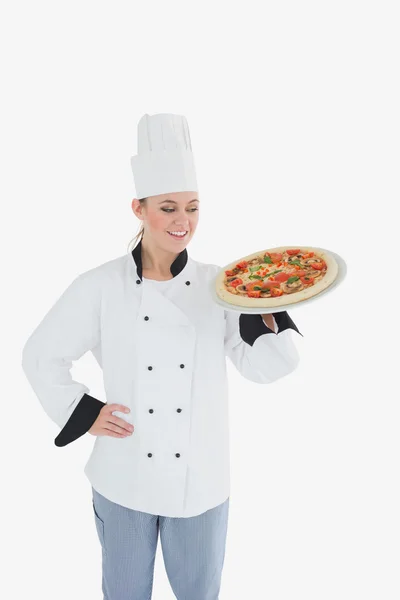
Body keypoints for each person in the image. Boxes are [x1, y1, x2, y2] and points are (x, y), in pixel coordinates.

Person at [21, 113, 303, 600]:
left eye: (192, 208)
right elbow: (41, 356)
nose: (183, 222)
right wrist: (85, 413)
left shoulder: (223, 285)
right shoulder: (100, 286)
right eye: (168, 208)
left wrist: (268, 305)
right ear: (138, 207)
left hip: (202, 477)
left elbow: (266, 367)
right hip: (125, 472)